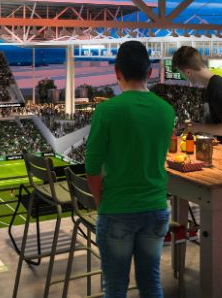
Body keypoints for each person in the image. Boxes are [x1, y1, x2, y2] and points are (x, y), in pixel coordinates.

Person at [86, 40, 175, 298]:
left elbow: (92, 168)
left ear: (117, 73)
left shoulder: (107, 111)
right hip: (156, 208)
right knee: (151, 284)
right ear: (149, 73)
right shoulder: (166, 111)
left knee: (115, 287)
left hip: (117, 210)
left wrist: (102, 202)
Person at [171, 46, 222, 148]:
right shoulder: (211, 87)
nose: (185, 77)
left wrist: (198, 127)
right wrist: (195, 127)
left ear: (188, 72)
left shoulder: (219, 88)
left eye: (182, 74)